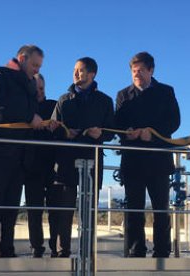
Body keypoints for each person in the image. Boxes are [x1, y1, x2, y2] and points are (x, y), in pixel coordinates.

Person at [0, 45, 44, 258]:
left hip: (20, 155)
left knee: (11, 206)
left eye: (39, 66)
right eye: (34, 65)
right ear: (22, 58)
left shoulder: (32, 83)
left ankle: (7, 248)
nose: (36, 70)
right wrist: (29, 117)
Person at [114, 52, 181, 258]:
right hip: (133, 161)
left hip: (158, 161)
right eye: (134, 71)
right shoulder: (123, 95)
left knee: (161, 210)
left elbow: (174, 122)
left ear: (151, 70)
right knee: (134, 210)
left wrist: (151, 133)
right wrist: (130, 132)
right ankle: (136, 251)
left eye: (141, 70)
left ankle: (162, 251)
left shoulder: (166, 92)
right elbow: (117, 125)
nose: (137, 74)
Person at [49, 57, 115, 257]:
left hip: (93, 160)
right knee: (65, 209)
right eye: (75, 70)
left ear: (92, 74)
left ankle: (88, 251)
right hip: (67, 161)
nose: (76, 73)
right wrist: (64, 133)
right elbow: (53, 128)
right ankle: (63, 250)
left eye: (80, 70)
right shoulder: (63, 100)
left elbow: (111, 132)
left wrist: (100, 134)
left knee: (90, 210)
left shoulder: (105, 101)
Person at [23, 73, 57, 258]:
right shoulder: (24, 108)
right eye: (36, 89)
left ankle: (55, 246)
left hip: (52, 165)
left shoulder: (54, 106)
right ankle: (36, 247)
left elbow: (62, 128)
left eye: (42, 88)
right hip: (31, 165)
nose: (39, 91)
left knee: (55, 210)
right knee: (34, 210)